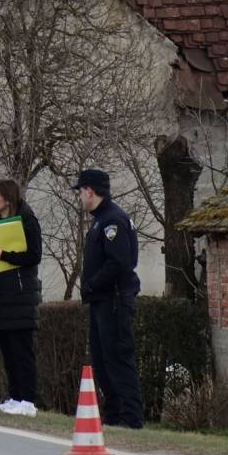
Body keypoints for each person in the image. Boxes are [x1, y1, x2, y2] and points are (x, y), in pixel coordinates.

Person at [73, 169, 144, 429]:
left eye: (80, 191)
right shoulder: (100, 220)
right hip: (101, 300)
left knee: (117, 358)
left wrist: (92, 284)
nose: (80, 197)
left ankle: (130, 417)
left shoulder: (112, 220)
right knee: (102, 361)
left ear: (90, 191)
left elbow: (120, 262)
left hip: (113, 300)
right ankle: (113, 415)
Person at [0, 180, 42, 417]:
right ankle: (14, 396)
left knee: (21, 349)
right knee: (7, 349)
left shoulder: (27, 219)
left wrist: (3, 254)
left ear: (7, 198)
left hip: (20, 293)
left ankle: (27, 399)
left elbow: (34, 255)